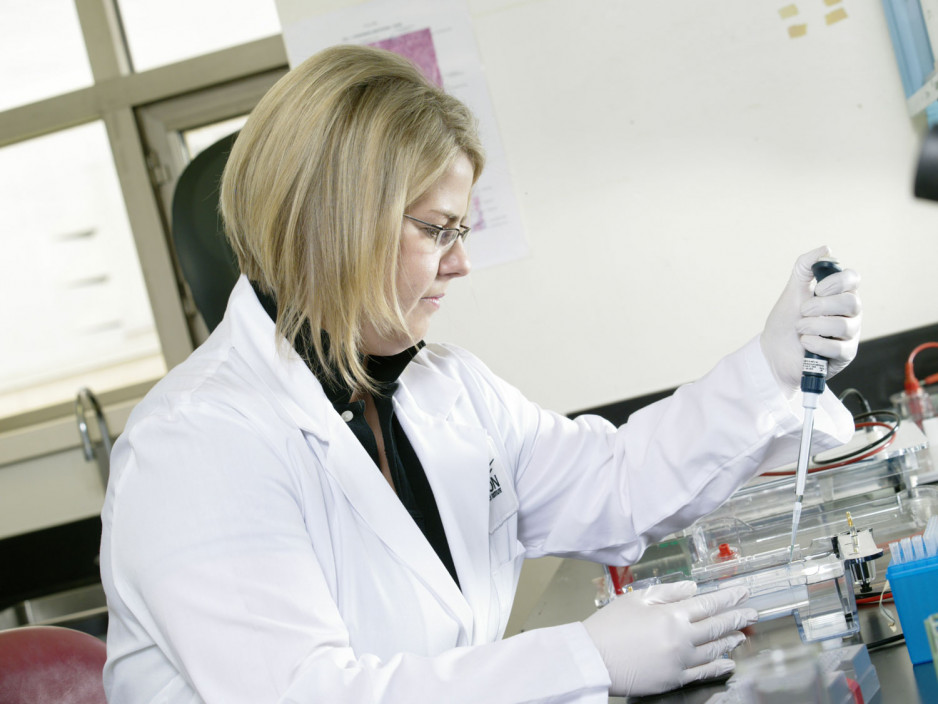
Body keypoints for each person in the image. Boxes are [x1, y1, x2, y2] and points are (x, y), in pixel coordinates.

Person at [99, 44, 862, 703]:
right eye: (436, 231)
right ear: (332, 224)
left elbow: (615, 484)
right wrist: (582, 659)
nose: (460, 263)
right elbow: (308, 694)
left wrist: (771, 366)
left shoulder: (444, 389)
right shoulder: (196, 445)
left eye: (459, 230)